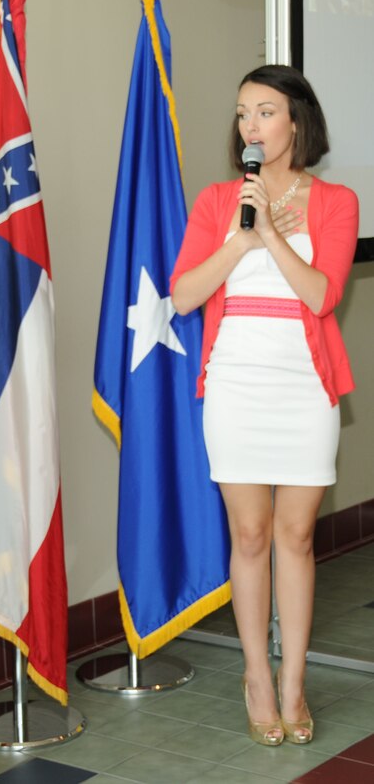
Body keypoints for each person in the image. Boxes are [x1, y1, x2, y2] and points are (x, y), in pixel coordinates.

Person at [170, 64, 358, 746]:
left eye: (266, 112)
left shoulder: (336, 202)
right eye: (244, 113)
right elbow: (185, 294)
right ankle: (256, 676)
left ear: (297, 123)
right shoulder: (219, 200)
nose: (251, 125)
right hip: (235, 383)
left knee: (296, 537)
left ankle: (293, 680)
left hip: (303, 386)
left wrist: (274, 234)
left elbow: (320, 295)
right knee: (249, 535)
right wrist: (241, 238)